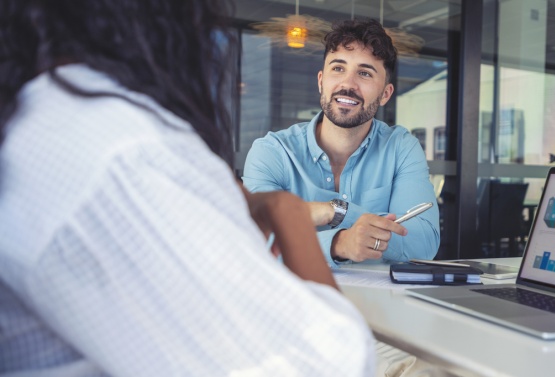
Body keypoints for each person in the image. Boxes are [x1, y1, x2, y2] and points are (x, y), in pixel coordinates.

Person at [0, 1, 375, 375]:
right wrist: (292, 216)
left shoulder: (41, 116)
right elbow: (328, 363)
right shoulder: (123, 152)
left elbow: (419, 239)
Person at [243, 19, 440, 267]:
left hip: (381, 304)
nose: (347, 84)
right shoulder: (272, 152)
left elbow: (422, 244)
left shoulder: (401, 148)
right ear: (320, 81)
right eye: (338, 68)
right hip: (293, 300)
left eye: (365, 73)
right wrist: (338, 243)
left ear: (385, 94)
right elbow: (251, 240)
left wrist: (338, 212)